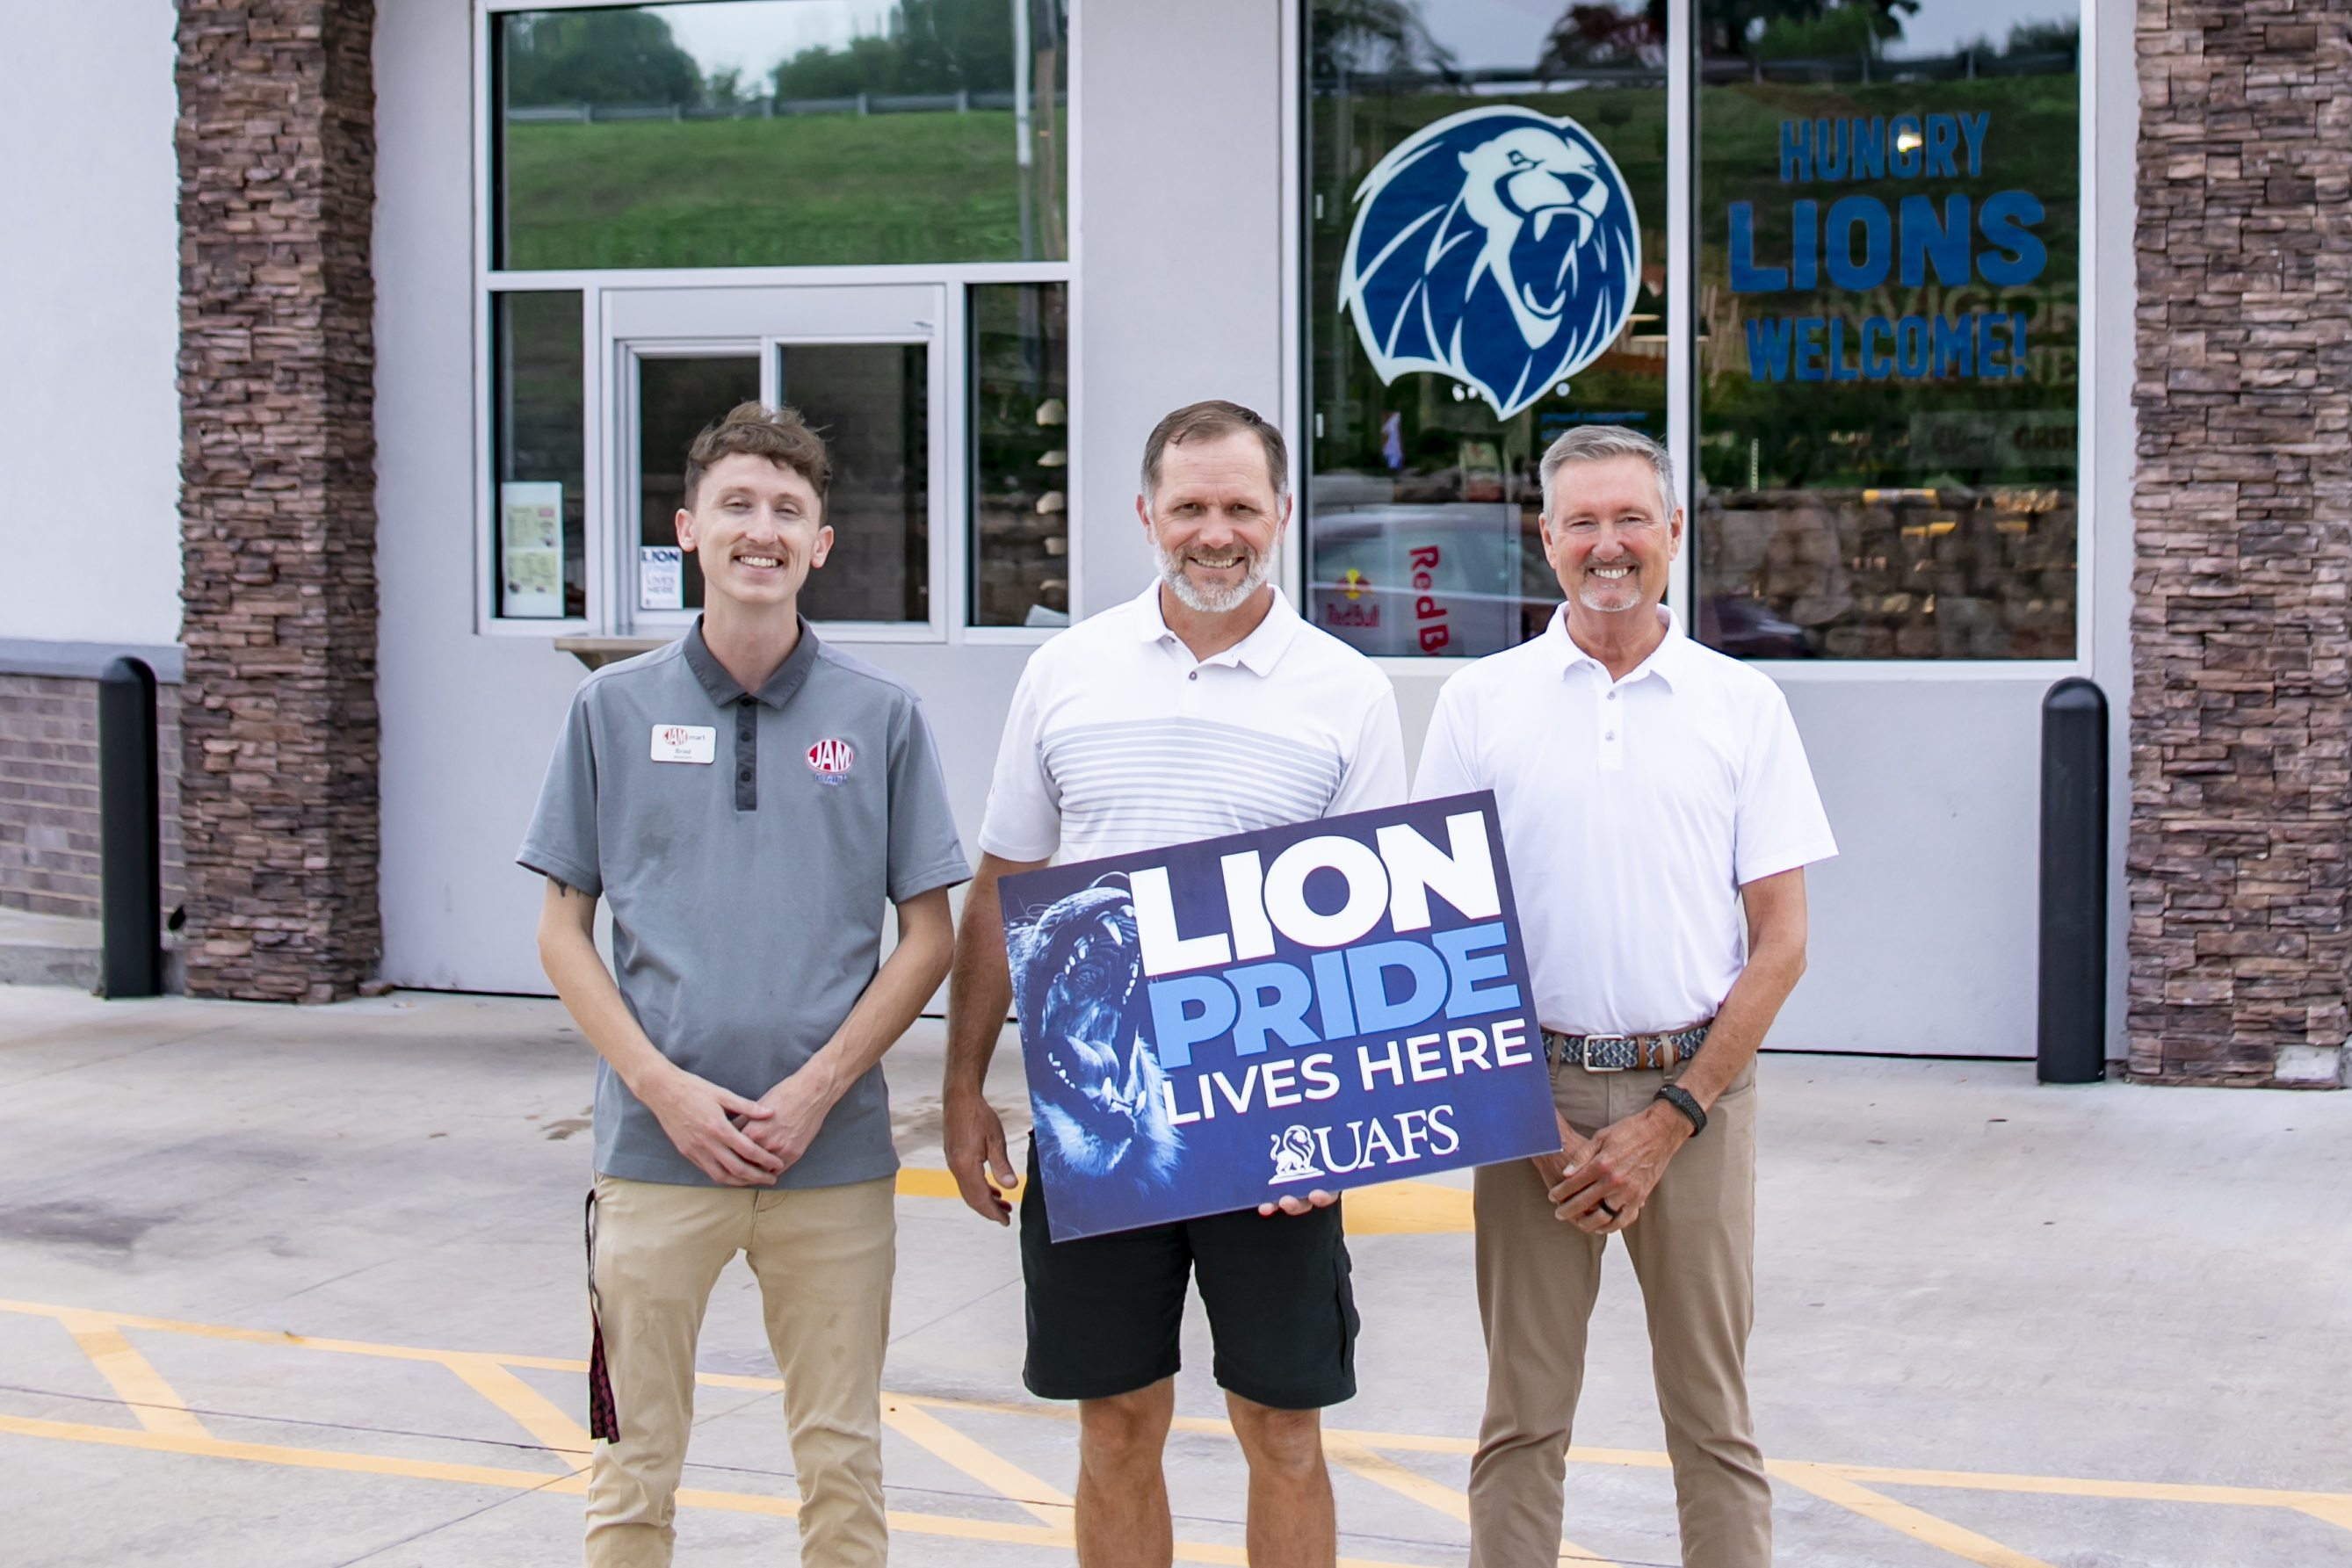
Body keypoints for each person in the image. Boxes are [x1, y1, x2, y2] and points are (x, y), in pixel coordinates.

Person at [944, 401, 1408, 1568]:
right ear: (1146, 514)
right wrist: (962, 1086)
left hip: (1271, 1109)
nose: (1216, 531)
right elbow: (1007, 879)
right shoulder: (1066, 671)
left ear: (1282, 516)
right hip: (1097, 1107)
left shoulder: (1344, 689)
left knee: (1283, 1429)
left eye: (1240, 506)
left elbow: (1377, 931)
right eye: (1190, 506)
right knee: (1114, 1425)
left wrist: (1339, 1122)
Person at [520, 402, 971, 1568]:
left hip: (830, 1160)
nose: (759, 529)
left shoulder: (881, 719)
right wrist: (660, 1086)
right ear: (688, 530)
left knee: (839, 1459)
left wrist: (821, 1086)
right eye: (736, 505)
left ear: (820, 542)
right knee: (632, 1466)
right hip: (653, 1156)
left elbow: (930, 934)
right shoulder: (608, 712)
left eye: (786, 509)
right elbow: (562, 927)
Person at [1412, 424, 1836, 1568]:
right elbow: (1439, 936)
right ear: (1544, 539)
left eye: (1630, 519)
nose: (1609, 545)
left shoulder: (1739, 705)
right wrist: (1528, 1117)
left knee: (1712, 1420)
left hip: (1694, 1093)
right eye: (1583, 522)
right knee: (1521, 1420)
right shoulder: (1479, 703)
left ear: (1675, 534)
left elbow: (1781, 942)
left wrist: (1672, 1116)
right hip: (1525, 1092)